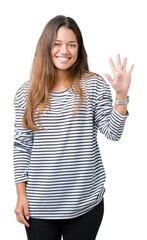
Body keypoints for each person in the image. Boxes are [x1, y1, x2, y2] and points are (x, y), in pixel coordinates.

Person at [13, 15, 134, 240]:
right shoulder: (26, 93)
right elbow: (22, 146)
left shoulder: (94, 84)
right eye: (57, 44)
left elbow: (113, 132)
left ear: (79, 48)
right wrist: (21, 194)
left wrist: (121, 95)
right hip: (40, 205)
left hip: (85, 203)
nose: (64, 51)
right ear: (46, 46)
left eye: (71, 44)